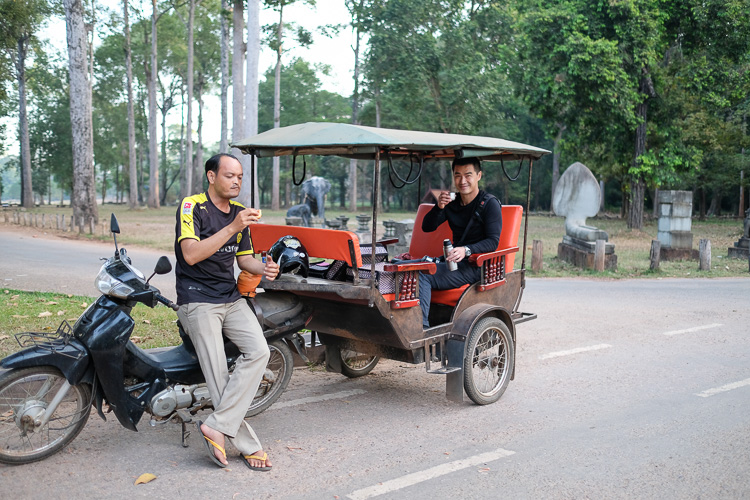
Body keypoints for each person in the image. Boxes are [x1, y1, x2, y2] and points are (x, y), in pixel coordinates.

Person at [174, 153, 279, 471]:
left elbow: (244, 260)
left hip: (230, 298)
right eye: (230, 175)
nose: (236, 181)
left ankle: (215, 426)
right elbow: (191, 255)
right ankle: (247, 445)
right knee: (219, 376)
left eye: (240, 177)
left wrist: (265, 267)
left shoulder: (239, 214)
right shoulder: (192, 207)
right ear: (211, 176)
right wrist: (233, 225)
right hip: (197, 300)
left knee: (260, 352)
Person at [419, 157, 502, 328]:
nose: (462, 181)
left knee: (422, 275)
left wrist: (466, 250)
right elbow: (427, 227)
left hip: (475, 266)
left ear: (479, 175)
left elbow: (493, 242)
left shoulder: (490, 204)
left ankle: (422, 330)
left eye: (468, 175)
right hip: (452, 263)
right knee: (409, 268)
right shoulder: (452, 202)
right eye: (457, 175)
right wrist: (439, 207)